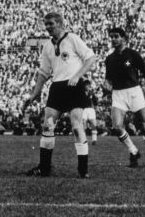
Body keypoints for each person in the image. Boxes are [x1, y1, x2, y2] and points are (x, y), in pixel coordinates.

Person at [22, 12, 97, 178]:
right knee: (47, 126)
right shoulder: (47, 45)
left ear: (60, 23)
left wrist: (77, 76)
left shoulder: (73, 39)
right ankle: (44, 168)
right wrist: (35, 94)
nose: (48, 27)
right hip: (57, 88)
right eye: (46, 24)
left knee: (77, 127)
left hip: (74, 87)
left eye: (51, 24)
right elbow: (43, 72)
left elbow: (91, 58)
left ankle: (83, 170)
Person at [103, 27, 145, 167]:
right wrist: (106, 85)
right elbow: (108, 79)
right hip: (118, 94)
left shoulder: (132, 54)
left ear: (123, 38)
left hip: (134, 91)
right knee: (116, 126)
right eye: (112, 37)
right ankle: (133, 150)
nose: (113, 39)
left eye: (116, 36)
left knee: (143, 125)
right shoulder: (109, 59)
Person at [82, 80, 99, 145]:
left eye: (89, 85)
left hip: (91, 110)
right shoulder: (81, 93)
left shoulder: (92, 93)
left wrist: (97, 109)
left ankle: (94, 140)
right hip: (83, 110)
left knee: (94, 124)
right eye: (87, 85)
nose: (88, 86)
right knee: (83, 124)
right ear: (84, 86)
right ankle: (84, 139)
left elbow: (95, 102)